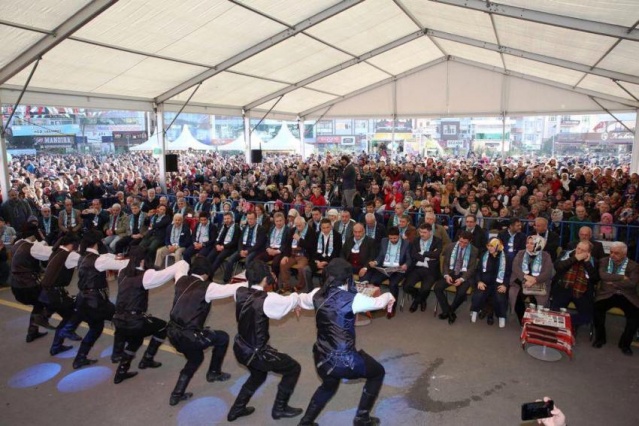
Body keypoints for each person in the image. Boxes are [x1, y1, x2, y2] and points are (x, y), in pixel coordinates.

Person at [297, 258, 395, 426]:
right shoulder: (354, 299)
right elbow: (380, 302)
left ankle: (306, 422)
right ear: (348, 277)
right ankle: (361, 418)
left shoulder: (316, 293)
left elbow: (300, 298)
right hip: (345, 361)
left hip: (321, 356)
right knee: (377, 372)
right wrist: (389, 295)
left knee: (328, 385)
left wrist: (296, 304)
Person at [204, 260, 304, 422]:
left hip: (241, 348)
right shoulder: (267, 299)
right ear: (265, 279)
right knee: (293, 368)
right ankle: (280, 408)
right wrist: (296, 300)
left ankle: (236, 410)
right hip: (258, 353)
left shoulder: (240, 291)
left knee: (258, 376)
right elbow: (288, 303)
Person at [111, 247, 189, 384]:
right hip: (134, 321)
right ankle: (147, 359)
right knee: (162, 327)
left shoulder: (122, 272)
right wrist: (183, 265)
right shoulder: (146, 276)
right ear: (142, 261)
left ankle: (121, 372)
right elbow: (167, 274)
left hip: (118, 320)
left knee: (136, 340)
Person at [166, 256, 231, 406]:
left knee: (195, 358)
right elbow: (230, 289)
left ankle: (177, 394)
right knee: (223, 338)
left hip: (172, 333)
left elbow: (179, 267)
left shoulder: (181, 280)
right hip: (190, 337)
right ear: (207, 272)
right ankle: (214, 373)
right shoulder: (207, 287)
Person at [73, 230, 129, 369]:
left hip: (83, 300)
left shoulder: (82, 256)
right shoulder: (98, 260)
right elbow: (122, 265)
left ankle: (80, 358)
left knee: (96, 328)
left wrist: (115, 256)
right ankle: (117, 353)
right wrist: (134, 259)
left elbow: (106, 257)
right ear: (97, 243)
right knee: (121, 321)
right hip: (96, 302)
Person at [10, 222, 56, 342]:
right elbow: (50, 253)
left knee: (39, 303)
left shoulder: (17, 243)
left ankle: (32, 332)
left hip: (15, 285)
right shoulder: (33, 247)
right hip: (27, 285)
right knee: (52, 299)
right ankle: (42, 320)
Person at [39, 233, 83, 355]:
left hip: (46, 292)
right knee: (72, 315)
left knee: (69, 314)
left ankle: (44, 317)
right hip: (55, 294)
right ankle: (61, 339)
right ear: (73, 244)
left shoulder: (56, 251)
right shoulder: (70, 255)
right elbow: (86, 260)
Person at [593, 242, 639, 356]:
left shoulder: (633, 266)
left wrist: (612, 283)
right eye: (611, 252)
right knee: (597, 310)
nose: (612, 255)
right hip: (607, 294)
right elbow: (603, 276)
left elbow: (632, 283)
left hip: (626, 295)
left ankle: (625, 344)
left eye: (616, 253)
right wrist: (622, 277)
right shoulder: (604, 261)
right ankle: (600, 338)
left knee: (635, 316)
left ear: (624, 254)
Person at [360, 226, 410, 318]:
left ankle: (392, 308)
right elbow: (380, 256)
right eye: (390, 238)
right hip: (385, 268)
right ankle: (374, 305)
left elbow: (409, 259)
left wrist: (406, 265)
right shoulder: (384, 241)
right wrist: (375, 262)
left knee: (393, 285)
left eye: (395, 238)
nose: (393, 240)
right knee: (374, 281)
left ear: (399, 236)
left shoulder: (406, 243)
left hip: (398, 269)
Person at [550, 241, 598, 332]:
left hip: (581, 291)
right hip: (563, 287)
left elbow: (595, 279)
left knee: (587, 317)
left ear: (588, 253)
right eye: (578, 248)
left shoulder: (593, 261)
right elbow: (558, 266)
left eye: (583, 250)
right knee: (554, 313)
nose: (579, 251)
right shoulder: (566, 254)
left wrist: (587, 263)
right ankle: (565, 325)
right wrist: (575, 258)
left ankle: (568, 323)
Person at [433, 231, 479, 325]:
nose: (462, 244)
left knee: (461, 293)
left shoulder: (474, 250)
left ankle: (449, 311)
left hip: (465, 274)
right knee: (437, 288)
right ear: (459, 238)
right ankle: (449, 312)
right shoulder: (450, 246)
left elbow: (471, 268)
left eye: (465, 243)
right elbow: (445, 263)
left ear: (470, 241)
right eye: (461, 241)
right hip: (451, 272)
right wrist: (446, 275)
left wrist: (462, 279)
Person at [509, 235, 554, 324]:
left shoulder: (546, 256)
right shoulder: (521, 253)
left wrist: (534, 280)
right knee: (516, 296)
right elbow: (515, 267)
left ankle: (535, 320)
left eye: (531, 244)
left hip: (539, 282)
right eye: (527, 243)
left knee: (537, 299)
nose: (527, 245)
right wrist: (525, 277)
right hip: (522, 280)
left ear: (539, 245)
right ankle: (523, 319)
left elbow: (547, 272)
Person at [404, 223, 442, 313]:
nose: (421, 234)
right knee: (406, 286)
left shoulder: (437, 241)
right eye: (420, 232)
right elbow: (413, 254)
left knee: (425, 288)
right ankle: (422, 299)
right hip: (416, 268)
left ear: (430, 232)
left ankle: (415, 302)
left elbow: (436, 254)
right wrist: (429, 255)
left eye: (424, 232)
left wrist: (422, 253)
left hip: (431, 270)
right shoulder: (415, 240)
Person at [470, 238, 508, 328]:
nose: (489, 248)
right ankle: (475, 311)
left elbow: (508, 273)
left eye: (492, 246)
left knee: (500, 298)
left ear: (498, 247)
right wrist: (479, 281)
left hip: (499, 283)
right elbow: (478, 271)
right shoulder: (484, 255)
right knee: (478, 295)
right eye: (488, 246)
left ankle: (501, 316)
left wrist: (505, 285)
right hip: (484, 282)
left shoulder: (505, 258)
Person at [222, 211, 267, 283]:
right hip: (244, 249)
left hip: (255, 249)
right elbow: (240, 240)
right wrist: (240, 250)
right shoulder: (245, 227)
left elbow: (259, 244)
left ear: (256, 219)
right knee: (230, 260)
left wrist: (248, 251)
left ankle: (249, 281)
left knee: (248, 261)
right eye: (248, 219)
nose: (250, 220)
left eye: (251, 219)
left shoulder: (261, 229)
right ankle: (226, 279)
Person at [303, 218, 342, 292]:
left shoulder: (337, 236)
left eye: (328, 227)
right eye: (323, 228)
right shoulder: (316, 235)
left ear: (331, 227)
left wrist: (326, 262)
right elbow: (313, 250)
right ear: (321, 227)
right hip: (318, 260)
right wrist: (317, 261)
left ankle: (324, 291)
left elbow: (337, 252)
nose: (326, 230)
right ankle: (310, 291)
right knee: (306, 270)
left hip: (330, 260)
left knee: (326, 271)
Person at [280, 215, 316, 293]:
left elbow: (310, 246)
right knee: (283, 263)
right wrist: (285, 255)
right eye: (296, 225)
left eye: (300, 225)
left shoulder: (311, 231)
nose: (298, 227)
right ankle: (286, 285)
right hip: (292, 254)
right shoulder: (293, 230)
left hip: (303, 255)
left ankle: (300, 286)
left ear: (304, 223)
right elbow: (287, 244)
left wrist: (299, 239)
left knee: (301, 267)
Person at [255, 212, 291, 285]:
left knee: (275, 263)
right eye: (277, 221)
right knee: (257, 259)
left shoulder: (288, 230)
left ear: (284, 220)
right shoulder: (271, 228)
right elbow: (267, 241)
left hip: (280, 251)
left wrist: (277, 251)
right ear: (274, 221)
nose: (279, 223)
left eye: (280, 220)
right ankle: (264, 277)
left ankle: (274, 281)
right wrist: (268, 249)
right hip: (270, 249)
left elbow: (287, 244)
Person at [207, 211, 241, 278]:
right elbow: (218, 238)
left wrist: (223, 247)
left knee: (219, 257)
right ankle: (205, 271)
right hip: (220, 246)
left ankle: (209, 275)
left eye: (228, 218)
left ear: (232, 218)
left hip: (230, 248)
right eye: (225, 219)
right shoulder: (223, 226)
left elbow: (234, 242)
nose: (226, 220)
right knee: (210, 256)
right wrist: (217, 245)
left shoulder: (236, 227)